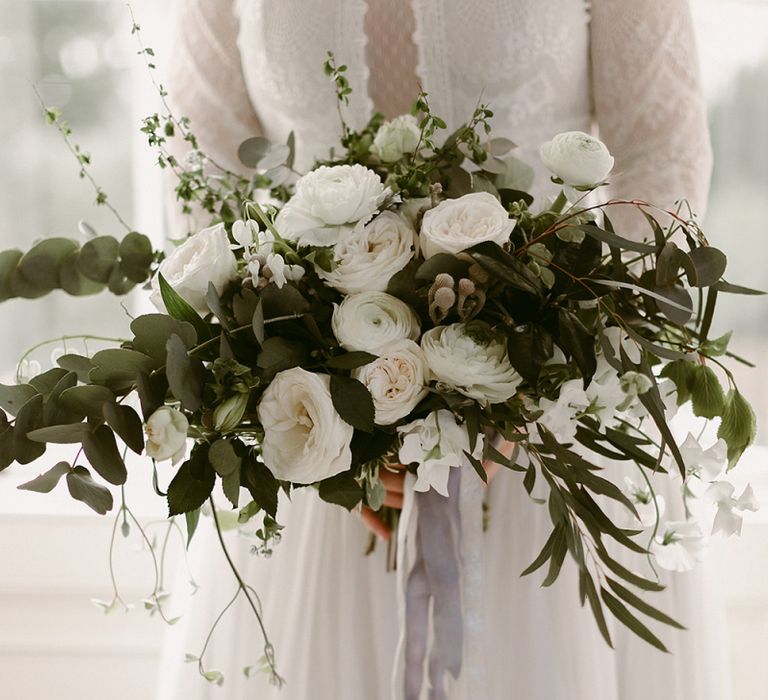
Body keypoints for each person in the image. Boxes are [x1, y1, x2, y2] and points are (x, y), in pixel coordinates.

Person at [156, 1, 729, 698]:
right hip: (316, 442)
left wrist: (536, 383)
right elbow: (202, 175)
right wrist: (339, 422)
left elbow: (661, 152)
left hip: (551, 441)